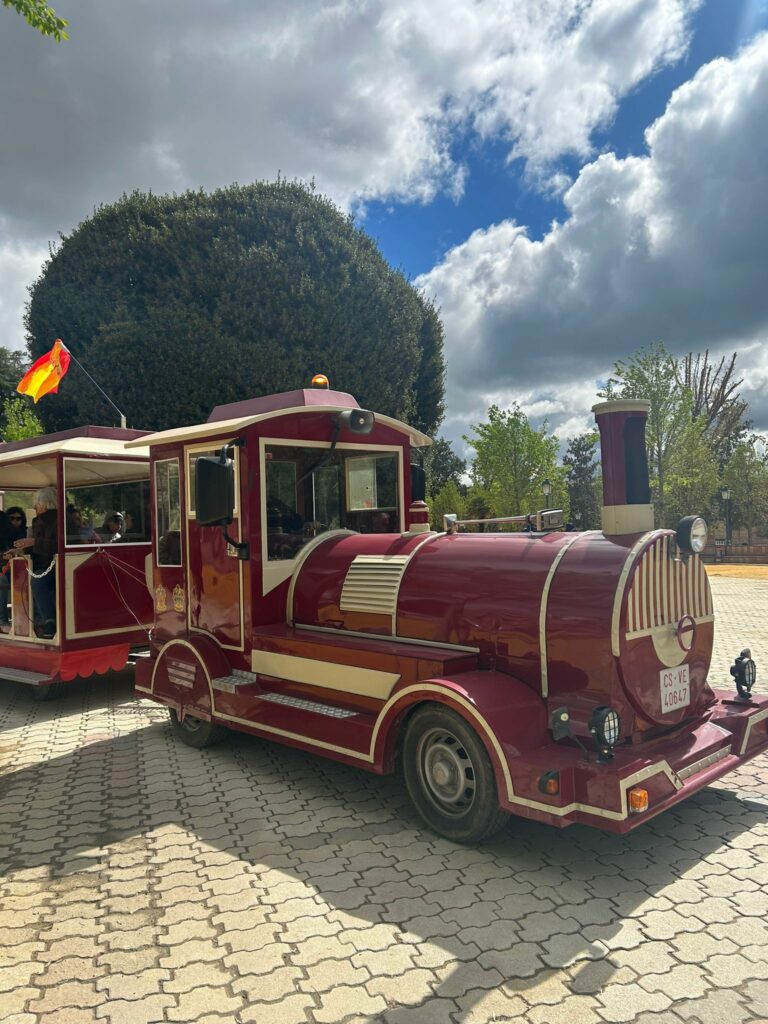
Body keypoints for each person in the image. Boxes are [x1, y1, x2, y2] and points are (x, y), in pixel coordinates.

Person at [14, 487, 57, 638]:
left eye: (36, 504)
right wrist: (21, 551)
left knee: (38, 581)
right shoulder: (38, 521)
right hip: (43, 565)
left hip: (57, 567)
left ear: (44, 504)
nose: (35, 507)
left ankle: (49, 621)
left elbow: (59, 545)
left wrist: (33, 541)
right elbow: (37, 547)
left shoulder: (60, 520)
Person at [0, 507, 28, 628]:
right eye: (11, 519)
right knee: (3, 580)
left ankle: (24, 619)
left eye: (18, 519)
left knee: (23, 577)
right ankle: (2, 619)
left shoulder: (12, 533)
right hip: (4, 569)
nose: (14, 522)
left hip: (9, 566)